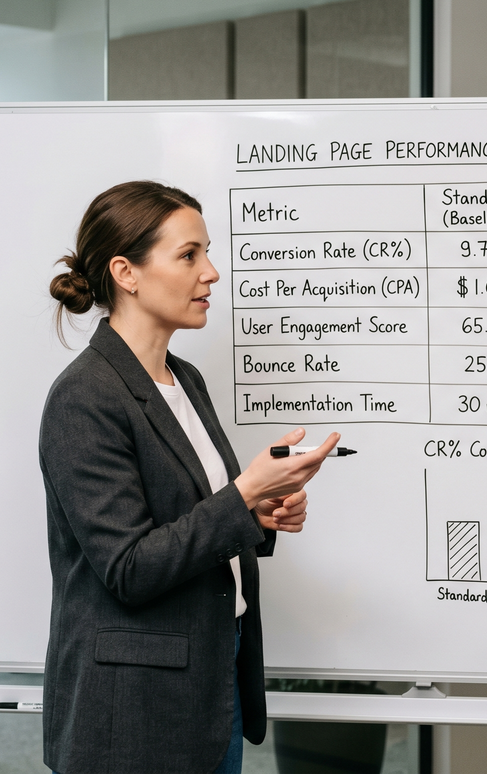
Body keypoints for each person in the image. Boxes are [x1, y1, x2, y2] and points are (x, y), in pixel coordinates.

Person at [39, 181, 340, 774]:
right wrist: (244, 494)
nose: (212, 273)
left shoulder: (184, 379)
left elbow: (190, 519)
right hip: (134, 710)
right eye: (189, 255)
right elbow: (128, 567)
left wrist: (259, 514)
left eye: (207, 253)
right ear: (126, 272)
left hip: (211, 679)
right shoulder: (84, 398)